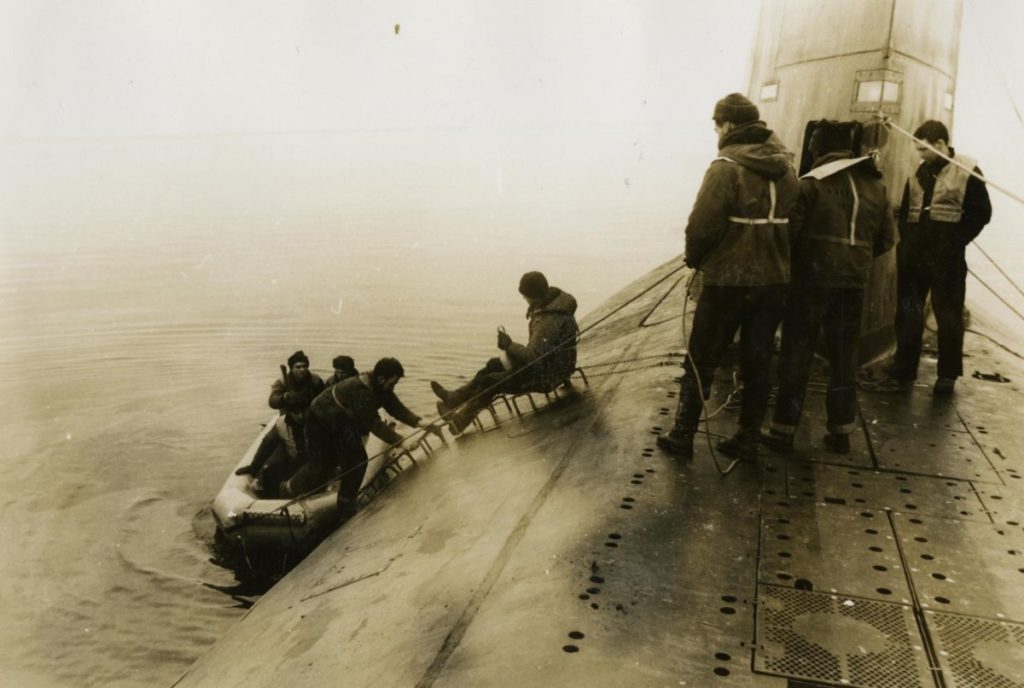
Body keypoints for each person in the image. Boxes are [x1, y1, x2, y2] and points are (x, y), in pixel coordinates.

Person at [656, 92, 798, 462]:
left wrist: (695, 260)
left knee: (702, 357)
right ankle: (747, 439)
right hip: (773, 280)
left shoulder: (724, 168)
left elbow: (701, 227)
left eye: (717, 124)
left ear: (730, 125)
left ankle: (683, 434)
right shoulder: (787, 168)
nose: (716, 131)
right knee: (758, 358)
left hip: (729, 281)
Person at [764, 120, 895, 454]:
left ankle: (783, 429)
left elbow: (788, 236)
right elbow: (885, 240)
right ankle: (840, 431)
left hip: (811, 283)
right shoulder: (876, 187)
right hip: (852, 284)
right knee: (843, 358)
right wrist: (855, 258)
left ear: (819, 149)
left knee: (797, 353)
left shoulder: (810, 185)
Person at [885, 120, 992, 395]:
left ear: (941, 145)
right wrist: (907, 241)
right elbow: (908, 208)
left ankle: (947, 376)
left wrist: (954, 243)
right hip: (915, 256)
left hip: (947, 259)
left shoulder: (968, 171)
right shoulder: (920, 171)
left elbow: (981, 214)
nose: (919, 155)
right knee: (908, 311)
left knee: (948, 315)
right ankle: (904, 366)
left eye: (923, 149)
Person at [280, 357, 431, 519]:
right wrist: (401, 442)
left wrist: (420, 422)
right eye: (392, 383)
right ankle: (288, 488)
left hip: (340, 419)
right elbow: (375, 424)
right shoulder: (361, 391)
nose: (393, 387)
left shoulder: (381, 387)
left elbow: (397, 408)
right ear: (381, 379)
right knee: (321, 464)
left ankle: (345, 504)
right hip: (319, 420)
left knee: (357, 460)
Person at [430, 271, 579, 434]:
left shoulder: (548, 321)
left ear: (534, 296)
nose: (525, 300)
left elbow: (534, 357)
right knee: (493, 364)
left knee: (491, 381)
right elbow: (540, 351)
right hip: (555, 363)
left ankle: (461, 420)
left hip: (548, 375)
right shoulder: (554, 303)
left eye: (526, 297)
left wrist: (508, 345)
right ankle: (455, 398)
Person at [234, 396, 309, 497]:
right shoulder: (281, 424)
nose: (301, 416)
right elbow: (267, 445)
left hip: (312, 463)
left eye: (303, 411)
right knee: (271, 470)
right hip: (294, 461)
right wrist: (254, 467)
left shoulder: (315, 420)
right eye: (296, 413)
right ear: (289, 412)